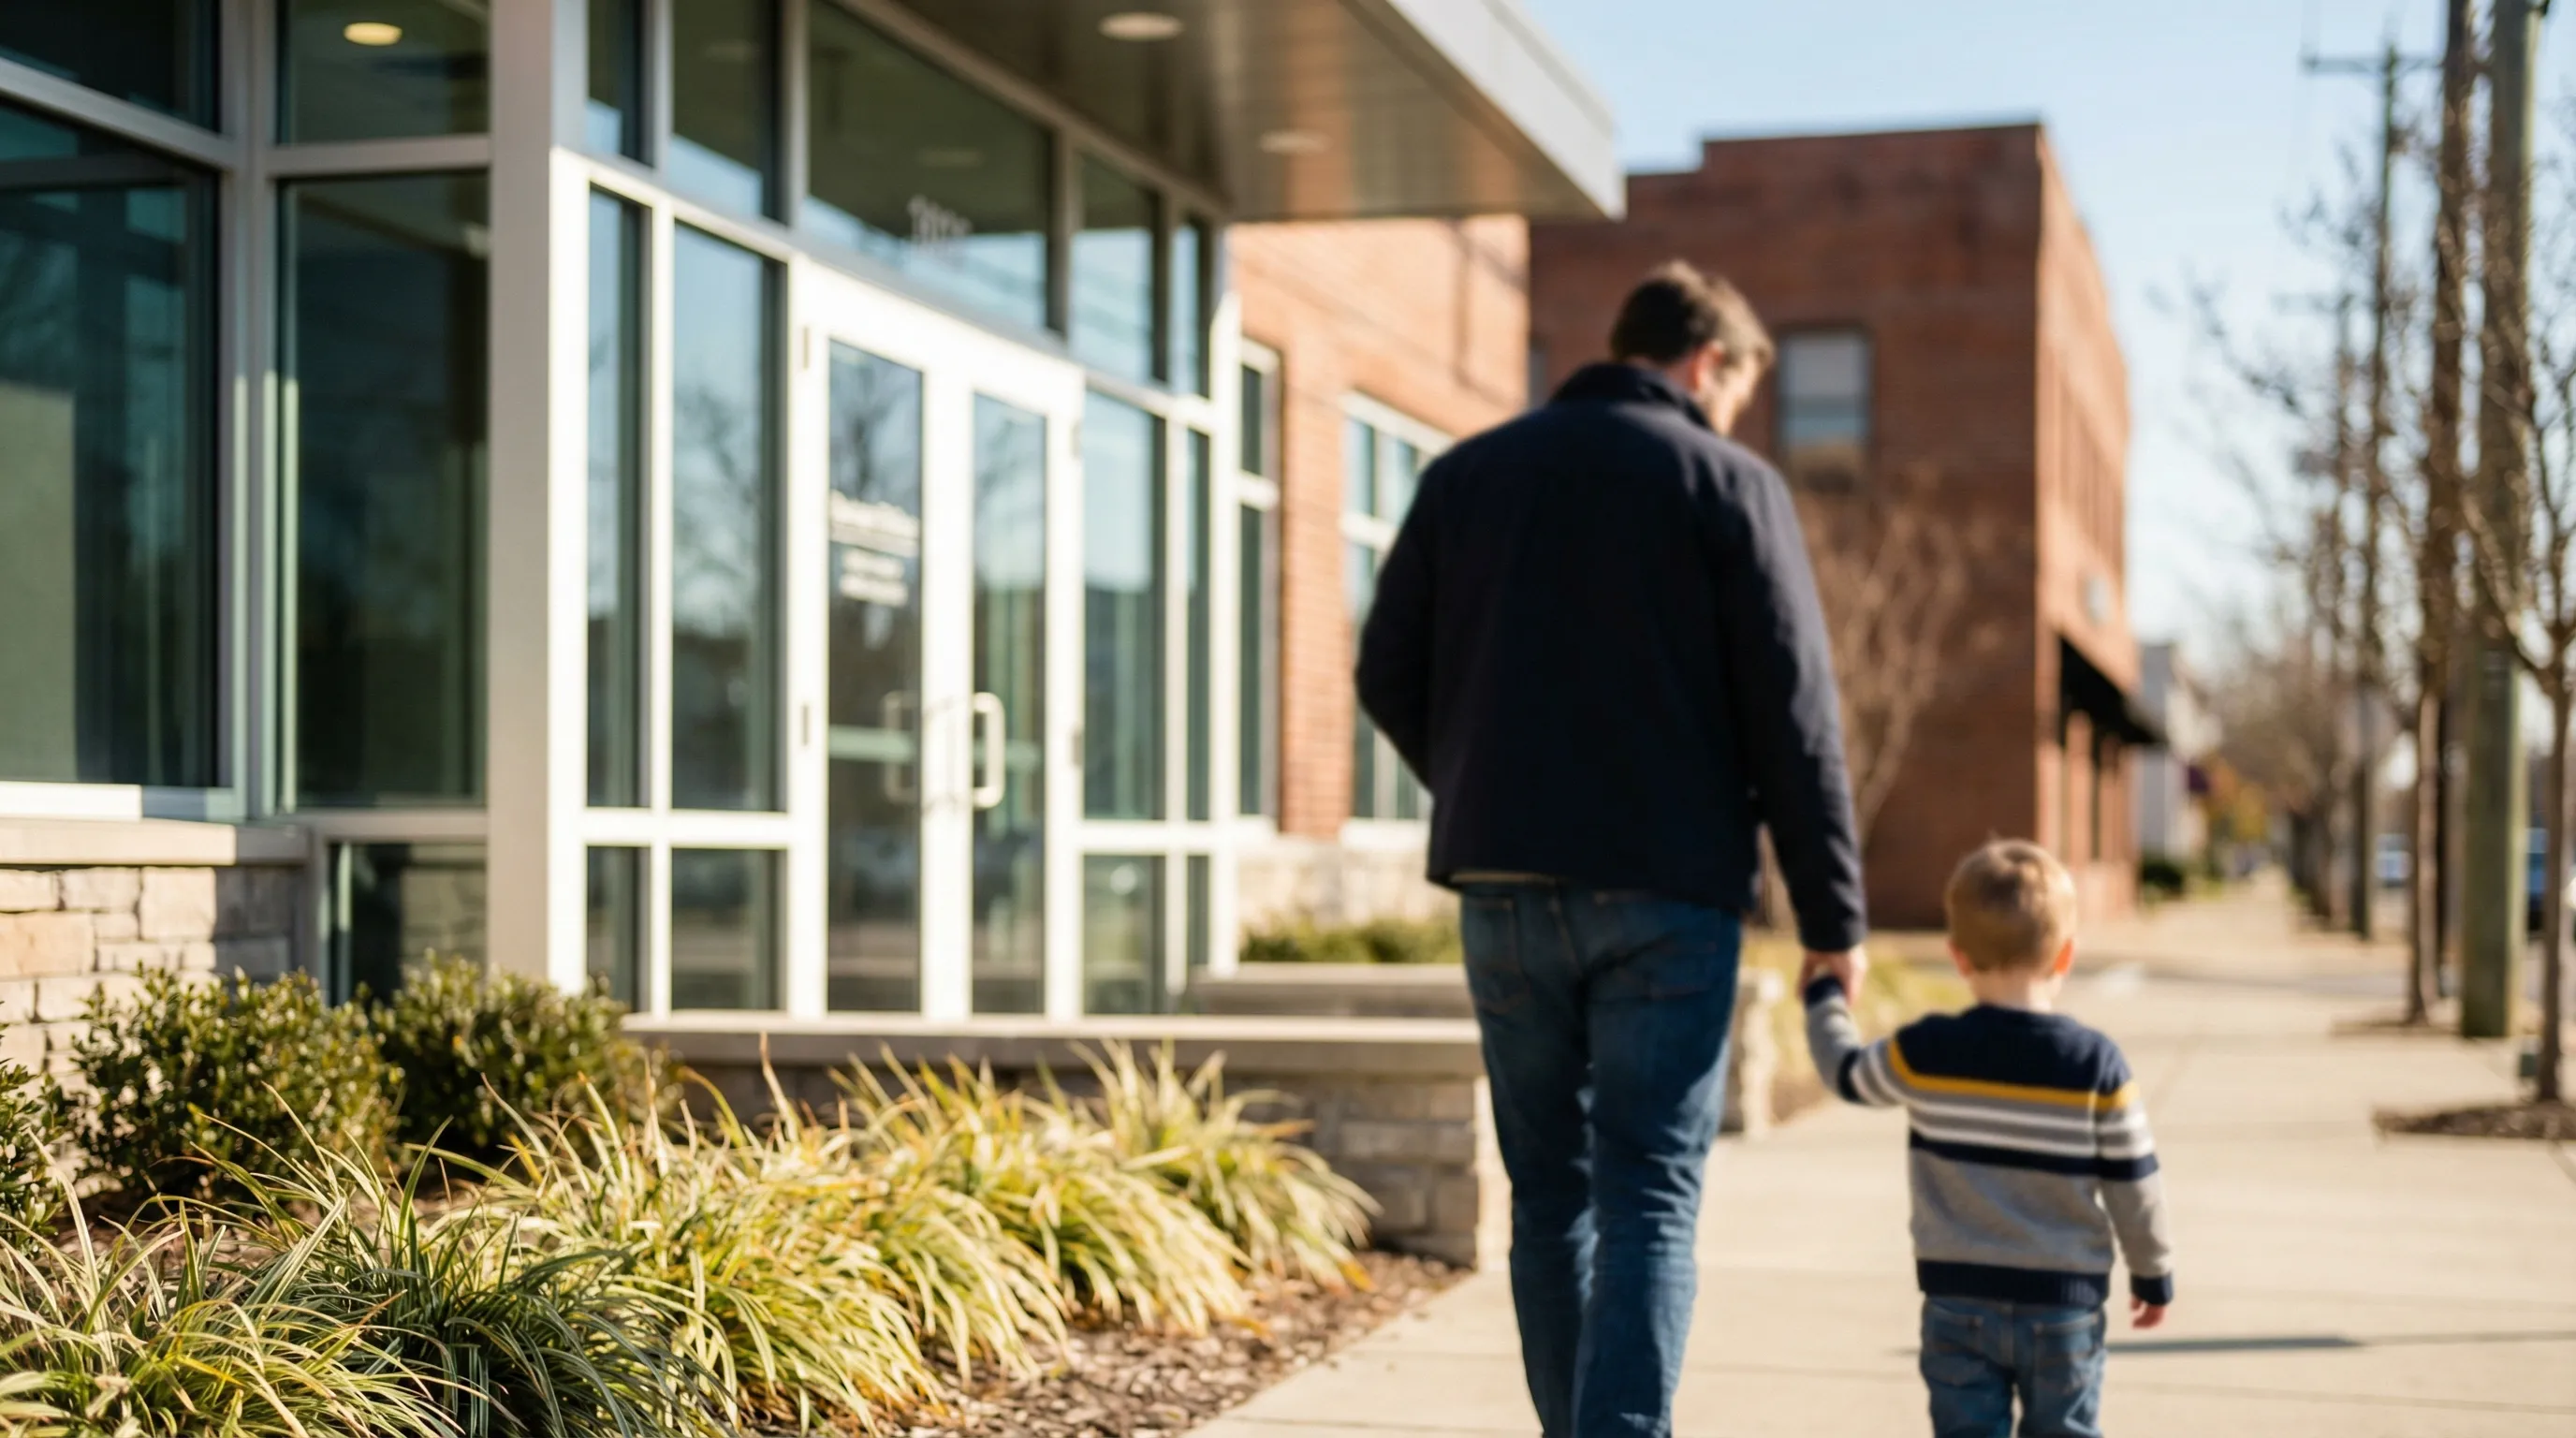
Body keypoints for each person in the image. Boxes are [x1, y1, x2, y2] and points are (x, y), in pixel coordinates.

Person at [1356, 261, 1868, 1437]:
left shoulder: (1467, 475)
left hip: (1500, 885)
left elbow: (1386, 671)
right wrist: (1833, 923)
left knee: (1548, 1200)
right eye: (1736, 390)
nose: (1733, 412)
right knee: (1647, 1193)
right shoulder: (1728, 483)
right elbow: (1796, 720)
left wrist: (1490, 790)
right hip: (1665, 895)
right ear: (1707, 364)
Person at [1803, 840, 2176, 1438]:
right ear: (2065, 956)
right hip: (2064, 1307)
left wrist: (1825, 998)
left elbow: (1847, 1075)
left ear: (1958, 956)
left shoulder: (1926, 1051)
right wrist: (2152, 1271)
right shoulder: (2095, 1064)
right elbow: (2136, 1181)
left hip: (1958, 1302)